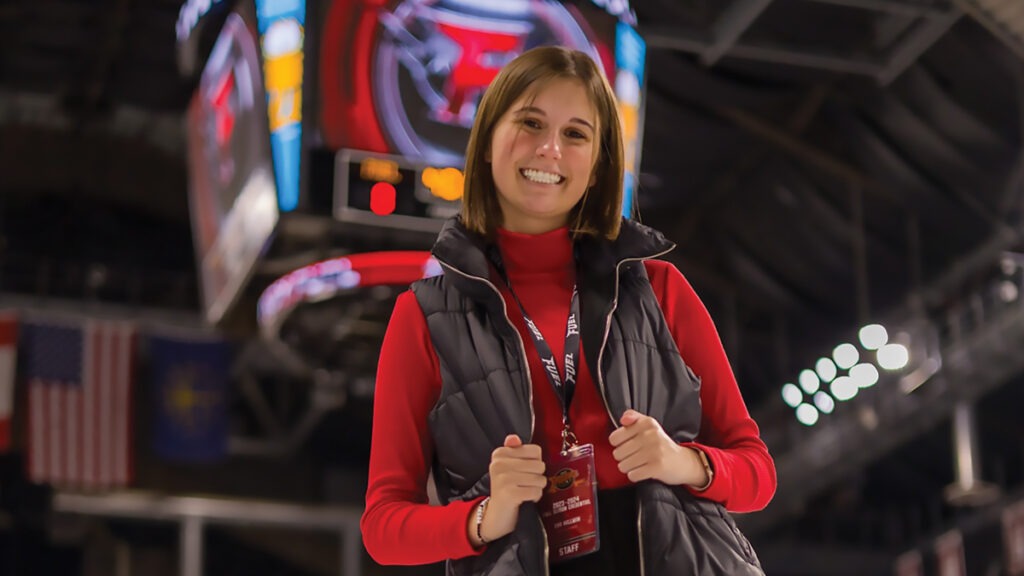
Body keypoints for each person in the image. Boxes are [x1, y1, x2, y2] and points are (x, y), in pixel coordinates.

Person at [361, 46, 776, 575]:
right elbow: (383, 528)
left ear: (598, 165)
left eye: (576, 134)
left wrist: (683, 462)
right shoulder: (423, 317)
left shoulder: (660, 289)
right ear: (486, 141)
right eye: (531, 123)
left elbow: (758, 474)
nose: (550, 149)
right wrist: (484, 516)